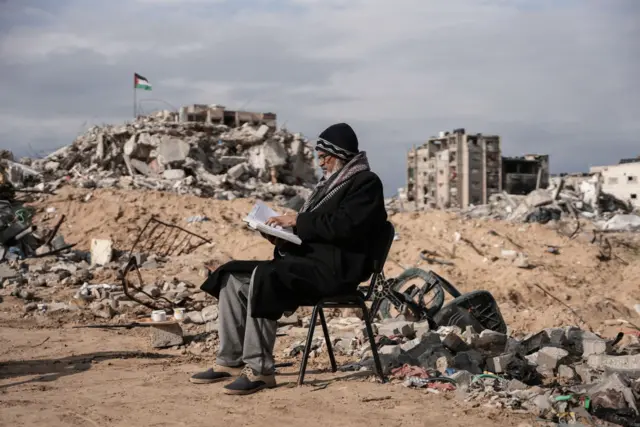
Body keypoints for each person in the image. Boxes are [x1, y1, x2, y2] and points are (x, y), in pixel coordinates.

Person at [191, 122, 387, 395]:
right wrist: (280, 237)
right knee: (231, 274)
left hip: (337, 271)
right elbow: (314, 231)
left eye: (324, 157)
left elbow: (345, 225)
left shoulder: (366, 183)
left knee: (266, 276)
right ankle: (230, 361)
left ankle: (260, 370)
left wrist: (298, 220)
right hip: (308, 264)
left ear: (339, 155)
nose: (321, 163)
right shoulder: (327, 185)